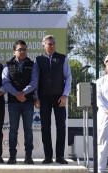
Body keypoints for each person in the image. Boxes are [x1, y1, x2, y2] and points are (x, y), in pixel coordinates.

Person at [33, 35, 72, 164]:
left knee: (61, 126)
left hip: (59, 98)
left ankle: (60, 156)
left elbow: (69, 77)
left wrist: (65, 95)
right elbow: (35, 81)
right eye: (49, 43)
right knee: (45, 127)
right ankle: (48, 156)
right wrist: (36, 98)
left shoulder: (62, 58)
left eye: (54, 43)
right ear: (43, 45)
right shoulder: (38, 60)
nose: (52, 45)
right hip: (44, 98)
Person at [2, 40, 38, 164]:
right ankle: (12, 156)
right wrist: (16, 94)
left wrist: (23, 93)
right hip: (13, 102)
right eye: (19, 49)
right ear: (14, 52)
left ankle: (28, 156)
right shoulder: (7, 65)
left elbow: (34, 82)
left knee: (28, 130)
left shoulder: (32, 64)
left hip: (28, 102)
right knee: (13, 130)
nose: (22, 51)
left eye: (24, 49)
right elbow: (5, 82)